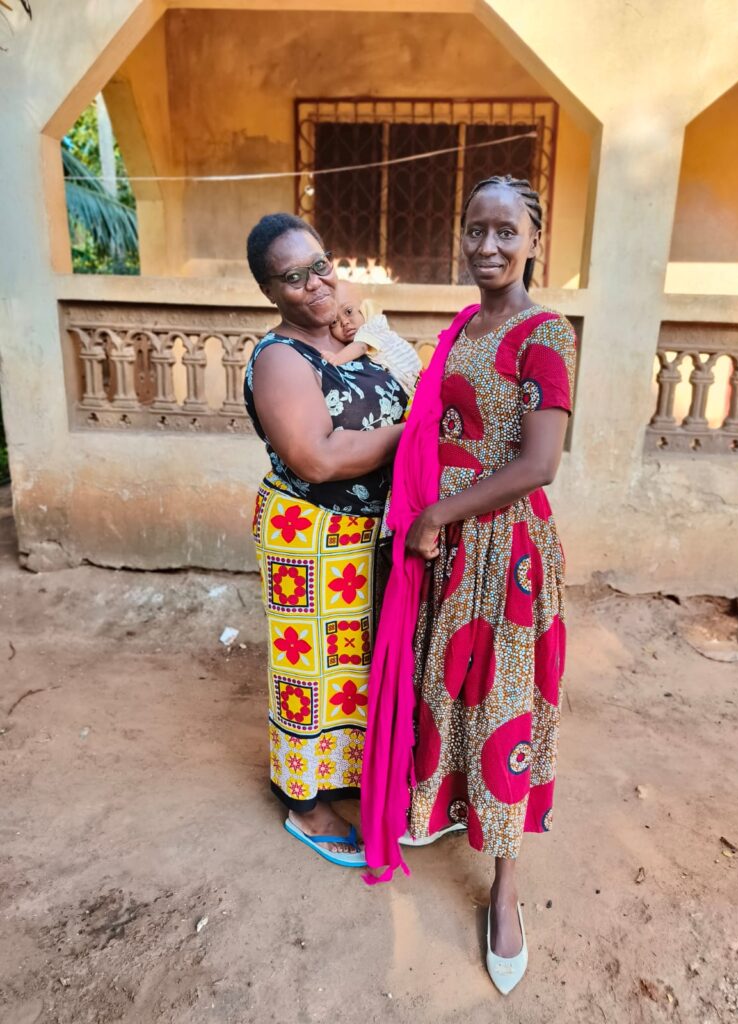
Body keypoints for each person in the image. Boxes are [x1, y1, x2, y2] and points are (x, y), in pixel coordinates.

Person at [361, 176, 576, 994]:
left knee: (503, 708)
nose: (487, 246)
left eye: (505, 231)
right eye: (475, 229)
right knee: (447, 689)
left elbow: (539, 463)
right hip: (449, 547)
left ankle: (505, 889)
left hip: (505, 550)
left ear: (534, 241)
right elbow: (434, 423)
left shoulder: (544, 334)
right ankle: (443, 810)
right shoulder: (463, 329)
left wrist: (436, 513)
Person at [243, 213, 407, 868]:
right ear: (269, 291)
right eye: (293, 277)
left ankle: (353, 777)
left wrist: (359, 336)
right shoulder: (279, 360)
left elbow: (402, 379)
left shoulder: (351, 331)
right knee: (311, 673)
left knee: (360, 667)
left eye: (320, 265)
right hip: (312, 537)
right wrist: (414, 433)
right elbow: (317, 457)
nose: (314, 283)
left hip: (371, 532)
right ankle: (305, 805)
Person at [322, 280, 422, 397]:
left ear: (364, 308)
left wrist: (337, 358)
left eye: (349, 311)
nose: (344, 322)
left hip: (415, 381)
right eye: (334, 322)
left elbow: (361, 346)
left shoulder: (372, 326)